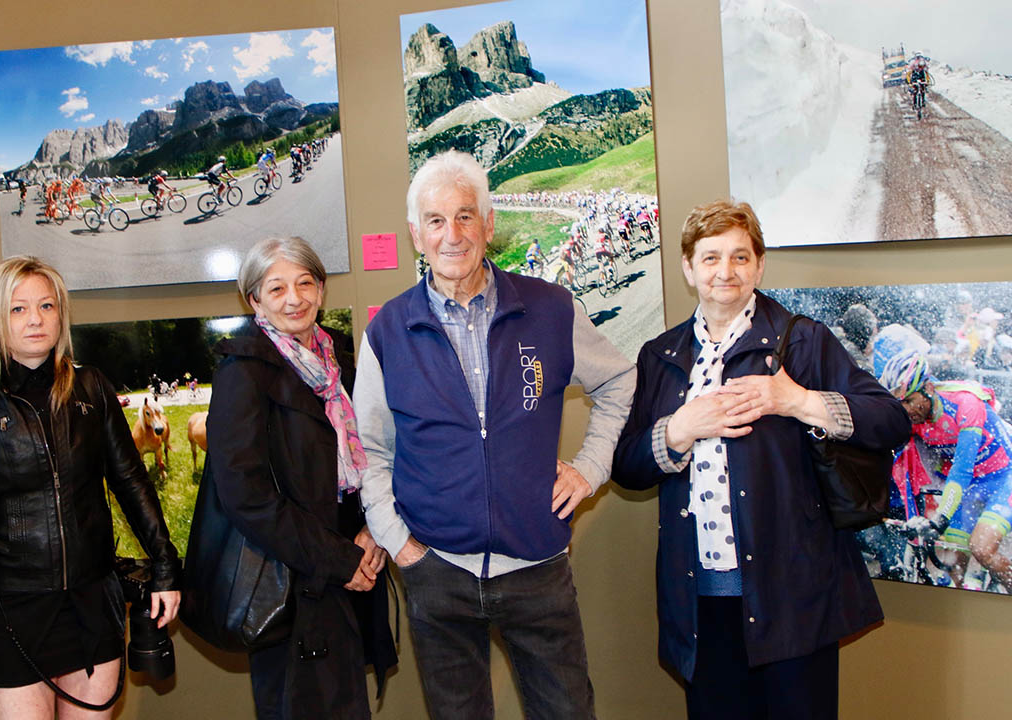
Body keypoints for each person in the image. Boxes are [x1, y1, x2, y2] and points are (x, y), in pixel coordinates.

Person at [355, 150, 635, 718]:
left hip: (538, 567)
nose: (452, 235)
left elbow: (620, 380)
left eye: (465, 216)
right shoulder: (387, 331)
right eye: (436, 221)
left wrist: (590, 469)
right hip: (437, 570)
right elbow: (370, 450)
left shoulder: (550, 308)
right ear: (416, 234)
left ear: (488, 224)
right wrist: (399, 543)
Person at [611, 199, 910, 719]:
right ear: (688, 268)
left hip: (792, 598)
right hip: (700, 601)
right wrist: (678, 430)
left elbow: (891, 420)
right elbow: (627, 468)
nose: (725, 271)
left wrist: (796, 401)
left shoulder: (803, 341)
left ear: (759, 265)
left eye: (740, 257)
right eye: (710, 258)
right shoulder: (660, 355)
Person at [0, 256, 180, 719]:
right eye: (18, 308)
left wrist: (166, 566)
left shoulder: (91, 388)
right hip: (13, 612)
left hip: (92, 603)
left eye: (46, 305)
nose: (35, 319)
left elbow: (130, 480)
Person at [196, 237, 396, 719]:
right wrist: (338, 560)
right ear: (255, 300)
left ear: (321, 290)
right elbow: (246, 496)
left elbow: (377, 453)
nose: (294, 299)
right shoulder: (242, 372)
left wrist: (374, 532)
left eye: (305, 283)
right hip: (291, 580)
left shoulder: (341, 363)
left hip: (353, 565)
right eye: (277, 287)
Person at [879, 350, 1012, 590]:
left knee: (982, 548)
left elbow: (961, 470)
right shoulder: (913, 419)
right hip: (972, 485)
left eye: (909, 401)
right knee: (953, 559)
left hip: (1004, 477)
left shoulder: (966, 403)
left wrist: (940, 519)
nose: (906, 410)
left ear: (928, 388)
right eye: (900, 404)